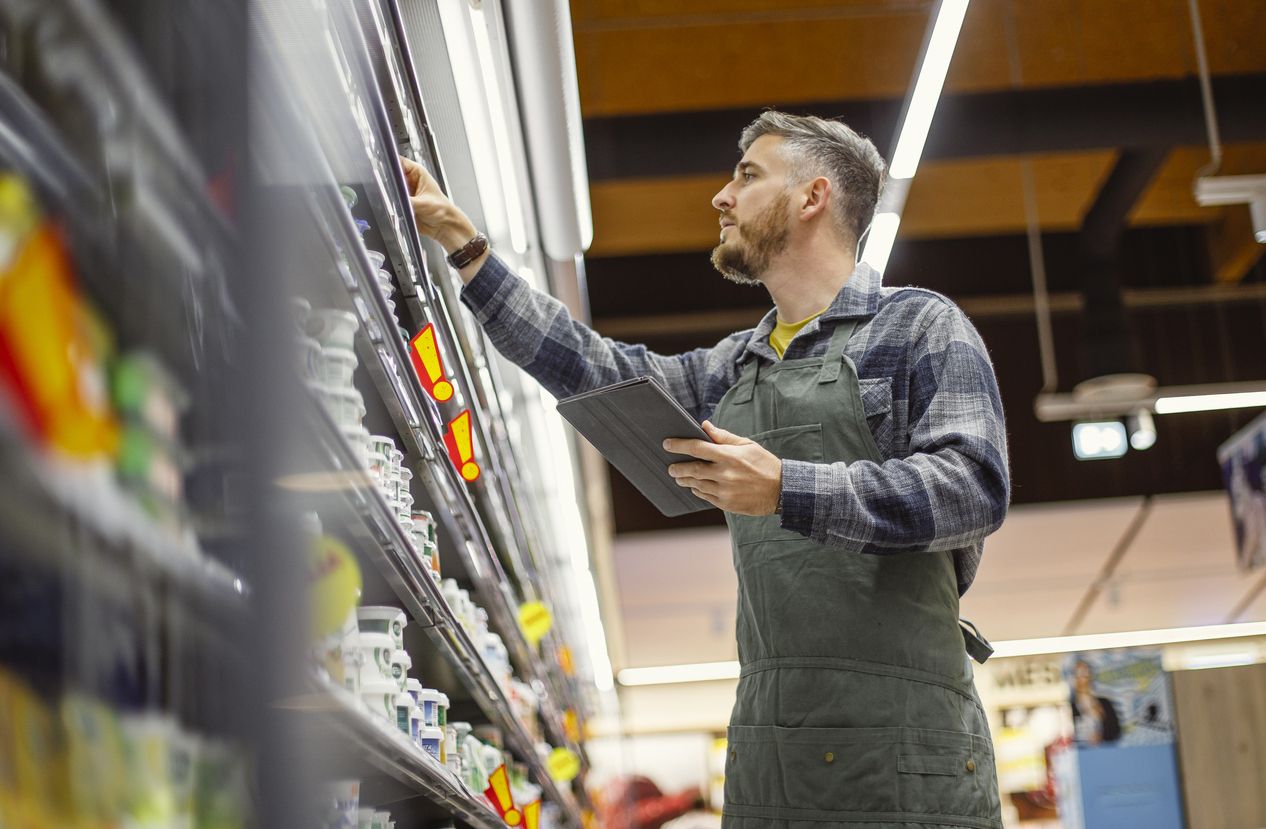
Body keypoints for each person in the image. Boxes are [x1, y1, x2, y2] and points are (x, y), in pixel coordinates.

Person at [402, 111, 1009, 828]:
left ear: (813, 196)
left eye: (748, 176)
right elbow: (595, 367)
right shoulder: (733, 366)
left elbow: (972, 487)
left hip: (909, 743)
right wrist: (463, 243)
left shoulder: (917, 327)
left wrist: (786, 486)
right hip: (771, 743)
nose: (722, 196)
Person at [1069, 659, 1122, 745]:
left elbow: (1115, 731)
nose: (1082, 676)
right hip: (1079, 753)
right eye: (1077, 673)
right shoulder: (1069, 707)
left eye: (1085, 672)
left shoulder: (1104, 703)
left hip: (1103, 751)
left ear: (1091, 676)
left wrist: (1101, 736)